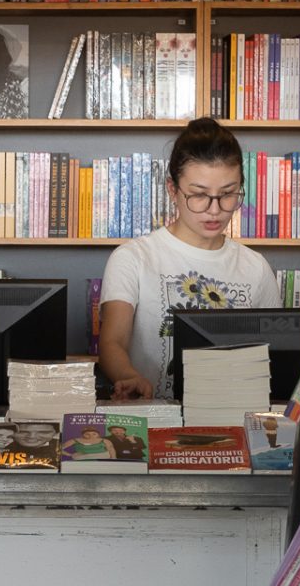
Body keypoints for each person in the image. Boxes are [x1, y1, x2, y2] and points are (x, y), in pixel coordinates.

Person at [98, 118, 279, 400]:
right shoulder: (133, 258)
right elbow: (112, 342)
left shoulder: (256, 268)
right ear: (173, 190)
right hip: (155, 420)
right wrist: (128, 377)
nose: (215, 210)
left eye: (228, 194)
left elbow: (274, 355)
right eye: (199, 195)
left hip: (233, 421)